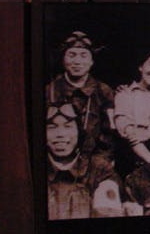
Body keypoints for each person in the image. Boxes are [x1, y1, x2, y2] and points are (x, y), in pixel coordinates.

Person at [45, 102, 125, 220]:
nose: (60, 134)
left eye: (68, 126)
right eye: (52, 127)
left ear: (79, 131)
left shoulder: (100, 170)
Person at [45, 30, 115, 158]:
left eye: (83, 56)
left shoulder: (104, 91)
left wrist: (100, 162)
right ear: (63, 59)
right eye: (71, 55)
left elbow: (109, 135)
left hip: (93, 159)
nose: (77, 61)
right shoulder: (50, 91)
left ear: (92, 61)